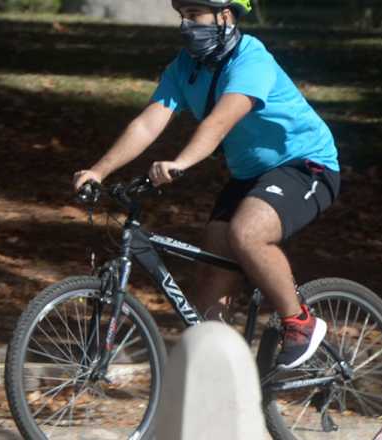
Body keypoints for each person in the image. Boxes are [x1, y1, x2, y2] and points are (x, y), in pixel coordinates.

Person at [72, 0, 340, 370]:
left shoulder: (251, 60)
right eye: (182, 16)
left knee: (247, 233)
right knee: (214, 256)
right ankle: (216, 366)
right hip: (249, 176)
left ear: (225, 16)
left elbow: (219, 122)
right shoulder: (184, 68)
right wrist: (99, 171)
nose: (186, 26)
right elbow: (148, 123)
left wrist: (180, 163)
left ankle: (301, 324)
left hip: (306, 166)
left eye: (195, 16)